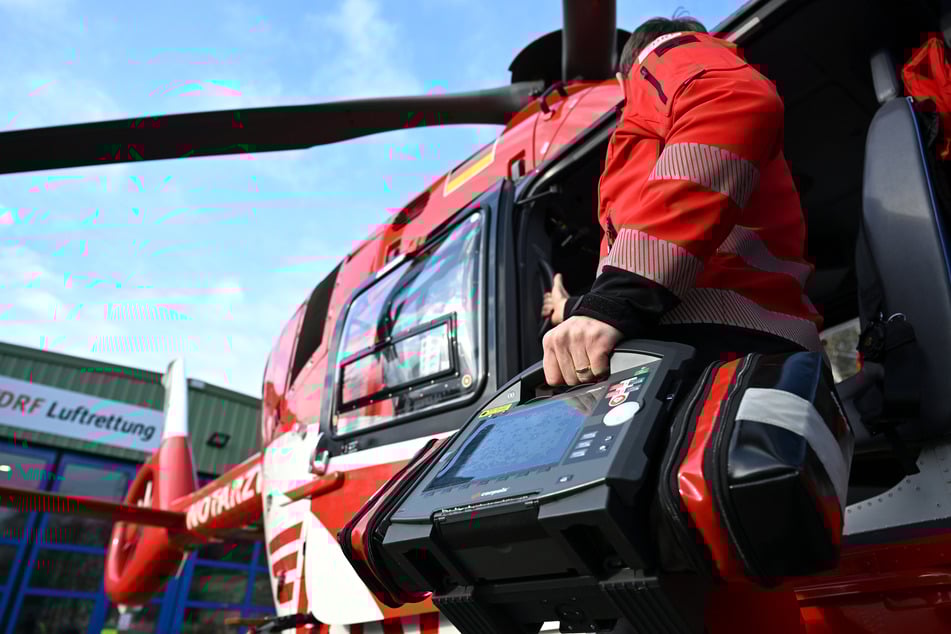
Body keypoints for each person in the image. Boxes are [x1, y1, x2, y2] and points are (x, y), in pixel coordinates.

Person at [541, 16, 823, 387]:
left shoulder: (663, 54)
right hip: (742, 352)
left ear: (623, 80)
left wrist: (619, 297)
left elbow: (730, 98)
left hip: (729, 356)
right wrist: (577, 306)